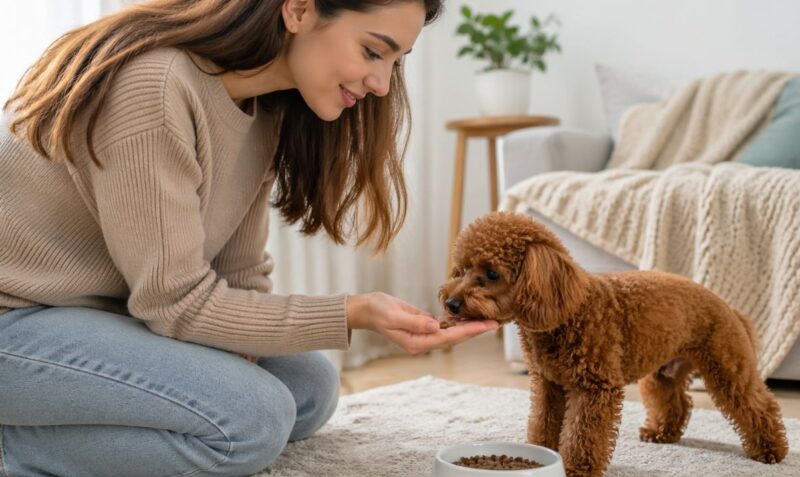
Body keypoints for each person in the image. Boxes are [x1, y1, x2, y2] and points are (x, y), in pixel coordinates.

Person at [0, 0, 500, 475]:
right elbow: (174, 301)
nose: (382, 84)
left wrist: (245, 347)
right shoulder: (154, 84)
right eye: (373, 51)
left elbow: (236, 275)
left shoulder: (264, 109)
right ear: (300, 9)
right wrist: (353, 312)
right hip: (16, 321)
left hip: (96, 315)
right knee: (251, 422)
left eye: (395, 61)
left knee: (309, 390)